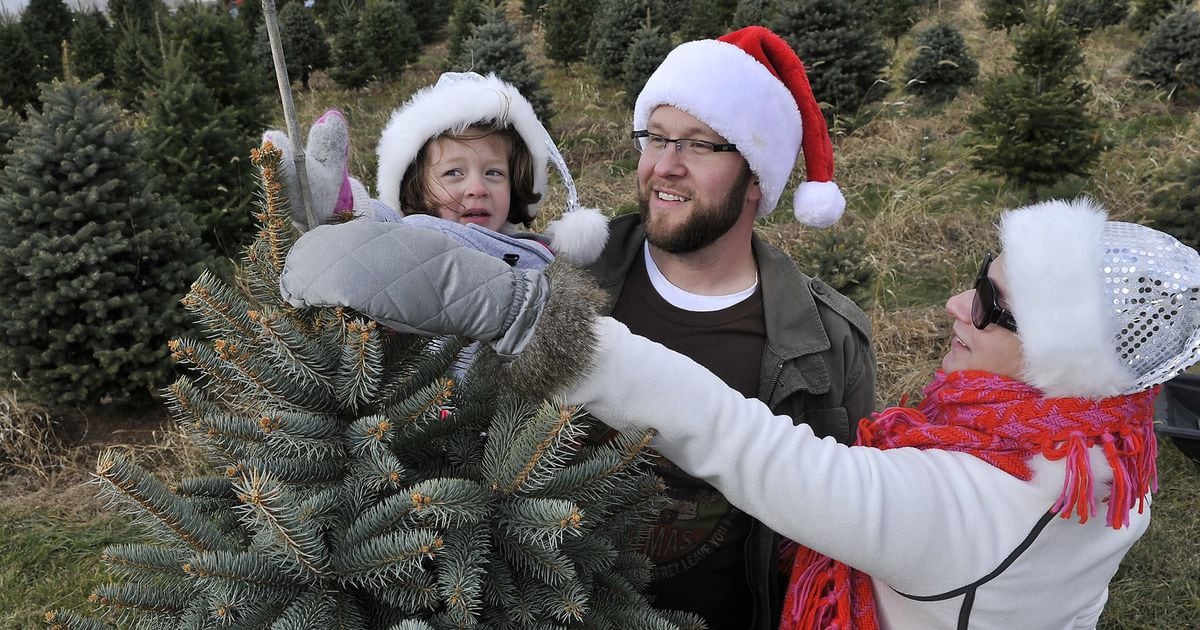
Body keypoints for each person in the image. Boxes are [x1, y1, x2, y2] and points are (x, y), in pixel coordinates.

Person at [279, 197, 1200, 629]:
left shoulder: (969, 510)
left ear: (1068, 363)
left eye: (996, 308)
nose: (957, 309)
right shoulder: (1110, 461)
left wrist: (528, 316)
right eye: (974, 285)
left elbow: (743, 441)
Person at [579, 25, 875, 628]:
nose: (664, 166)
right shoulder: (566, 283)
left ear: (756, 179)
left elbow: (849, 535)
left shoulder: (828, 343)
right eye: (655, 138)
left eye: (698, 145)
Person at [264, 71, 608, 270]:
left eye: (494, 173)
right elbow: (374, 224)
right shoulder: (411, 236)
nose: (477, 188)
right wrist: (337, 206)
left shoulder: (537, 252)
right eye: (453, 173)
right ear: (416, 188)